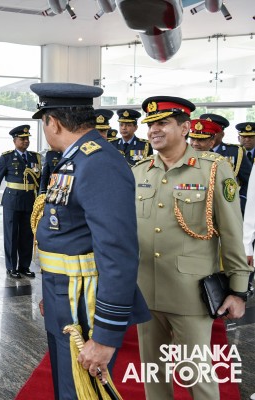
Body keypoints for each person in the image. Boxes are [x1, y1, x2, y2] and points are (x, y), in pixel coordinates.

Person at [29, 82, 150, 400]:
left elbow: (118, 253)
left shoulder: (98, 162)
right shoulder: (75, 158)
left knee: (82, 393)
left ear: (53, 122)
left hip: (84, 302)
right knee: (66, 388)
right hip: (65, 295)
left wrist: (106, 335)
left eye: (44, 123)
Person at [134, 97, 251, 399]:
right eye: (150, 125)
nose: (154, 130)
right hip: (146, 289)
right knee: (153, 372)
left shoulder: (212, 169)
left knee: (196, 372)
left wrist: (238, 291)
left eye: (162, 123)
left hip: (190, 292)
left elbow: (231, 232)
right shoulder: (140, 171)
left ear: (185, 128)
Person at [0, 125, 40, 279]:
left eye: (27, 138)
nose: (26, 141)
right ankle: (11, 267)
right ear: (14, 141)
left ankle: (24, 266)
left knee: (27, 235)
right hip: (12, 201)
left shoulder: (34, 157)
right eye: (22, 139)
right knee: (12, 235)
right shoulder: (7, 157)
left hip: (29, 200)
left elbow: (39, 180)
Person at [201, 113, 252, 214]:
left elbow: (249, 180)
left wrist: (241, 200)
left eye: (214, 131)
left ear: (222, 134)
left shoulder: (235, 152)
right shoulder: (194, 151)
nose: (209, 134)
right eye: (206, 131)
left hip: (228, 206)